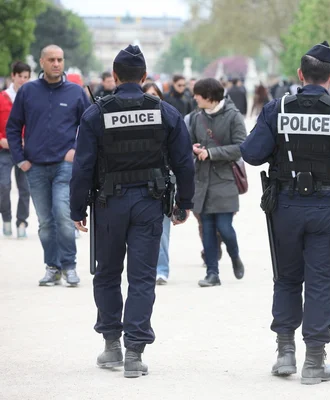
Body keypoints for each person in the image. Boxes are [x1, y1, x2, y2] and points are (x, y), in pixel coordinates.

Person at [241, 41, 330, 385]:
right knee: (319, 282)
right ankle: (315, 361)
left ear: (301, 75)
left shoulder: (278, 109)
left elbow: (252, 154)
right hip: (324, 207)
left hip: (285, 206)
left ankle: (285, 352)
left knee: (286, 278)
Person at [69, 45, 195, 377]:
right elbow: (184, 162)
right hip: (149, 204)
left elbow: (82, 166)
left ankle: (112, 346)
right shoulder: (164, 111)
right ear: (144, 77)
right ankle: (134, 354)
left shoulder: (96, 113)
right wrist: (186, 203)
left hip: (108, 204)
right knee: (142, 279)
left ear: (113, 76)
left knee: (107, 274)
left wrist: (76, 207)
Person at [7, 45, 91, 286]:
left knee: (63, 215)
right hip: (35, 167)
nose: (56, 63)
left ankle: (70, 266)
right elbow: (13, 127)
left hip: (64, 165)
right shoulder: (28, 92)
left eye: (60, 59)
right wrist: (20, 159)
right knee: (45, 222)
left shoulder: (76, 92)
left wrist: (76, 150)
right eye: (51, 59)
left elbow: (88, 127)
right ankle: (52, 267)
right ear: (41, 62)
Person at [188, 78, 246, 287]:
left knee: (225, 227)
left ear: (209, 97)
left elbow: (241, 147)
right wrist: (193, 149)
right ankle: (212, 273)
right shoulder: (196, 118)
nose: (194, 97)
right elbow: (188, 143)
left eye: (198, 94)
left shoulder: (233, 116)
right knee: (207, 228)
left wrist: (211, 153)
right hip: (202, 180)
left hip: (224, 180)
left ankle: (235, 255)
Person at [142, 82, 172, 285]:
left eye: (156, 95)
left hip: (164, 178)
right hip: (140, 179)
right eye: (148, 95)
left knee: (162, 228)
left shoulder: (170, 119)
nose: (153, 98)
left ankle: (161, 269)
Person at [0, 61, 31, 239]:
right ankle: (6, 218)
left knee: (25, 188)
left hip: (25, 150)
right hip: (4, 150)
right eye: (20, 77)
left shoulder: (31, 98)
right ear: (13, 76)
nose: (23, 80)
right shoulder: (2, 97)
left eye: (26, 77)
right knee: (3, 185)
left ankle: (21, 221)